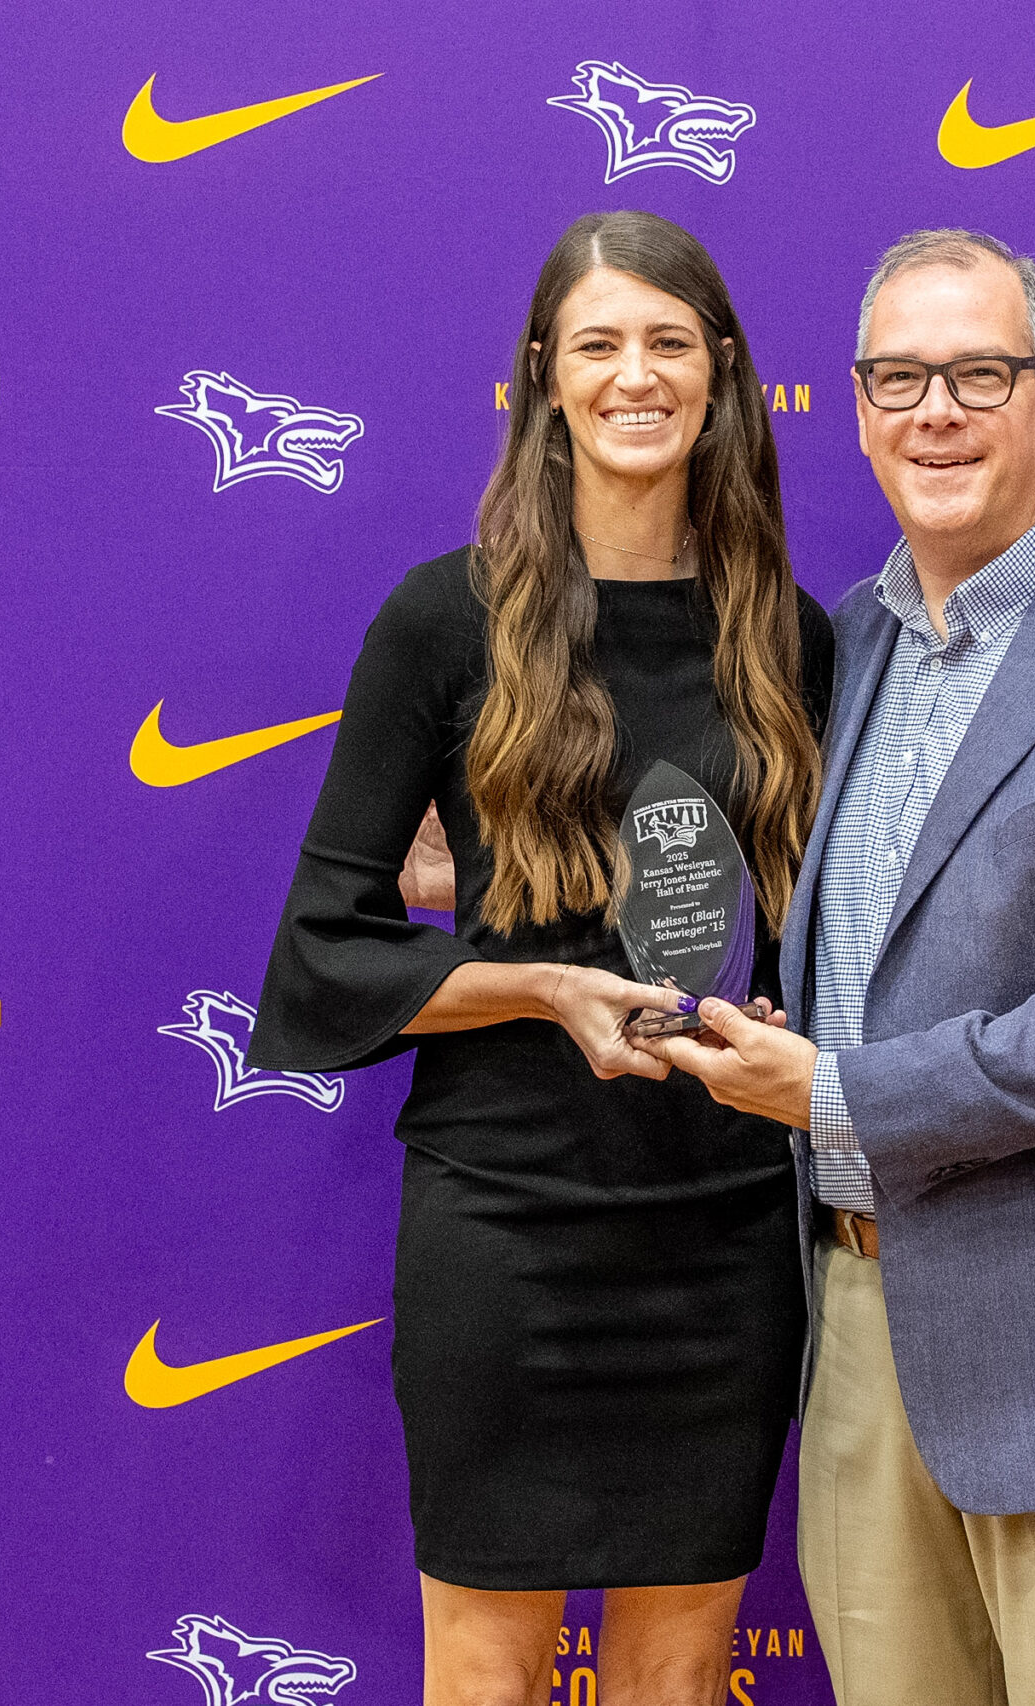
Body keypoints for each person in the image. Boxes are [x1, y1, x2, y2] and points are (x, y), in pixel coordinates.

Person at [647, 229, 1035, 1706]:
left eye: (977, 373)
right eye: (897, 377)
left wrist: (837, 1089)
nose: (933, 410)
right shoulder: (848, 643)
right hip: (870, 1345)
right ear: (858, 403)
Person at [245, 209, 831, 1706]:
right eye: (599, 346)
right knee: (489, 1671)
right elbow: (323, 950)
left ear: (722, 377)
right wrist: (547, 987)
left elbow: (841, 931)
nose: (636, 376)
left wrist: (784, 1022)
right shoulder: (443, 622)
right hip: (504, 1226)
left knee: (681, 1676)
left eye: (668, 343)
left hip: (719, 1237)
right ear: (543, 381)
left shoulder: (792, 637)